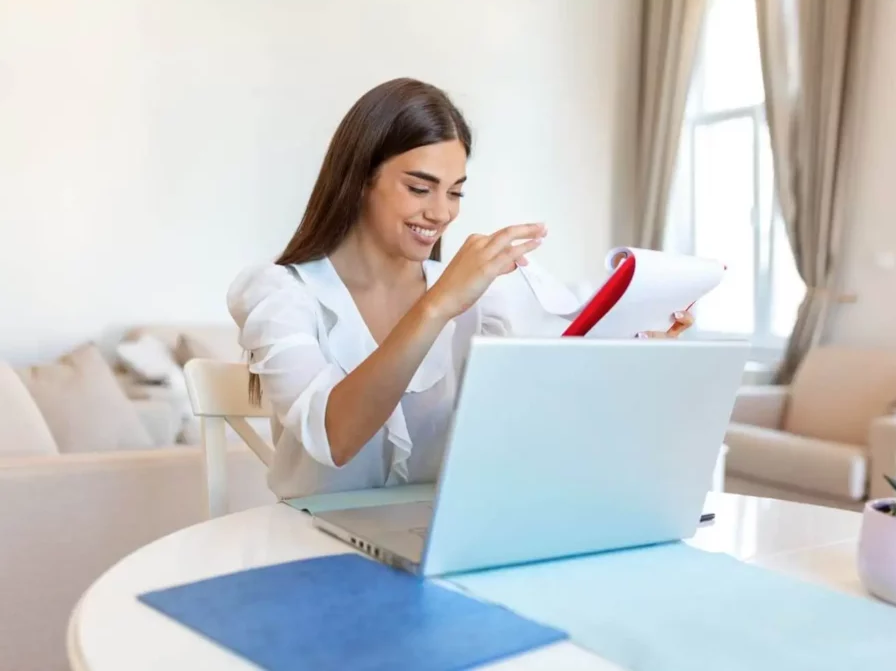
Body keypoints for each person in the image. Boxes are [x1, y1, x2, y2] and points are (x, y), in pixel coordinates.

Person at [228, 78, 693, 500]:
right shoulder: (281, 293)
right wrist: (438, 305)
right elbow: (335, 437)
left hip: (433, 546)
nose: (442, 213)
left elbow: (565, 379)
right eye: (419, 187)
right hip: (309, 555)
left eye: (455, 192)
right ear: (361, 178)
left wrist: (642, 342)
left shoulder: (486, 299)